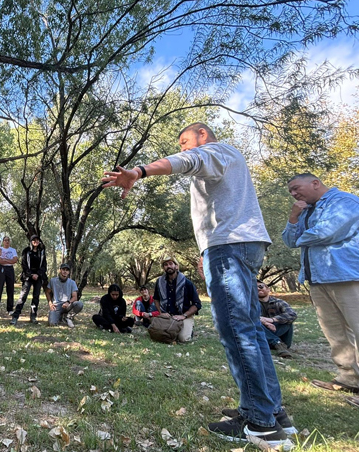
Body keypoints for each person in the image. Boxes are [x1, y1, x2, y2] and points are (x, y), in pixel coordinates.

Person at [102, 122, 294, 447]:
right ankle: (269, 412)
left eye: (184, 140)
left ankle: (262, 424)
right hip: (239, 245)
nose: (183, 147)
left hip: (229, 245)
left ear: (202, 135)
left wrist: (139, 171)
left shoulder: (213, 151)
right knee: (249, 329)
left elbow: (183, 162)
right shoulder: (228, 158)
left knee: (236, 330)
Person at [282, 173, 359, 394]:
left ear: (315, 183)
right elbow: (288, 241)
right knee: (335, 332)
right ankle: (349, 379)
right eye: (291, 192)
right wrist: (293, 217)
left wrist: (299, 236)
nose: (294, 194)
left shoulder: (345, 202)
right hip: (318, 278)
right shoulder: (305, 210)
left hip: (347, 275)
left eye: (297, 188)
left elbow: (326, 233)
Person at [152, 256, 201, 342]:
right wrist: (161, 313)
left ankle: (188, 328)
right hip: (167, 316)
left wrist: (184, 315)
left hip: (183, 316)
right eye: (166, 265)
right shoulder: (159, 282)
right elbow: (156, 299)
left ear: (176, 266)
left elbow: (197, 304)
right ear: (164, 268)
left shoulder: (187, 283)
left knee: (183, 339)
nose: (168, 266)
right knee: (156, 334)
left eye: (171, 263)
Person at [13, 235, 48, 324]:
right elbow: (24, 264)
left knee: (36, 297)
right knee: (23, 296)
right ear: (31, 241)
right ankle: (15, 316)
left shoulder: (42, 252)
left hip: (38, 276)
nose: (35, 241)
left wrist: (38, 274)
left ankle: (33, 316)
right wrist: (31, 274)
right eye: (34, 240)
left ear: (39, 241)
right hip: (28, 276)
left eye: (37, 240)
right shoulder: (26, 251)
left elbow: (44, 266)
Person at [257, 280, 296, 359]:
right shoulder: (252, 304)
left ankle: (278, 342)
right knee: (254, 323)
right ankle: (277, 343)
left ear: (268, 289)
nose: (258, 289)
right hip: (262, 337)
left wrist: (272, 320)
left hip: (279, 335)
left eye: (261, 286)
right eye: (255, 288)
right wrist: (265, 323)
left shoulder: (279, 302)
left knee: (287, 321)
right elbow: (247, 317)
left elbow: (292, 314)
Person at [44, 263, 84, 327]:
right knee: (52, 323)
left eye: (67, 270)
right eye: (63, 269)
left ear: (68, 272)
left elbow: (75, 297)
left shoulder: (72, 282)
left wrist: (68, 302)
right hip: (56, 305)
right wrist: (50, 304)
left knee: (79, 304)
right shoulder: (53, 281)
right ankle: (60, 316)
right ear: (60, 270)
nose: (65, 271)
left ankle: (68, 317)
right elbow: (47, 292)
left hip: (67, 305)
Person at [0, 236, 18, 314]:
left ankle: (10, 309)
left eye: (8, 240)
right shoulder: (0, 249)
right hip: (1, 269)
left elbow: (15, 260)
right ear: (3, 241)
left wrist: (5, 260)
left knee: (10, 289)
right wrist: (8, 260)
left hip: (10, 269)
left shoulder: (13, 250)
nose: (7, 242)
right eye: (5, 240)